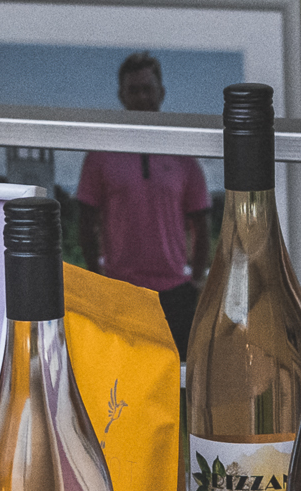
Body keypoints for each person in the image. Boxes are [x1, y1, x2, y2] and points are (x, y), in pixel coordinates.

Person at [72, 52, 211, 350]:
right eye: (133, 90)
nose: (141, 97)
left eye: (147, 89)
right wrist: (98, 280)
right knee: (122, 376)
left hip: (176, 294)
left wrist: (197, 280)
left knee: (178, 375)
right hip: (121, 292)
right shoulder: (101, 155)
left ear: (161, 93)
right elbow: (86, 222)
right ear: (122, 95)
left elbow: (201, 223)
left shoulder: (183, 156)